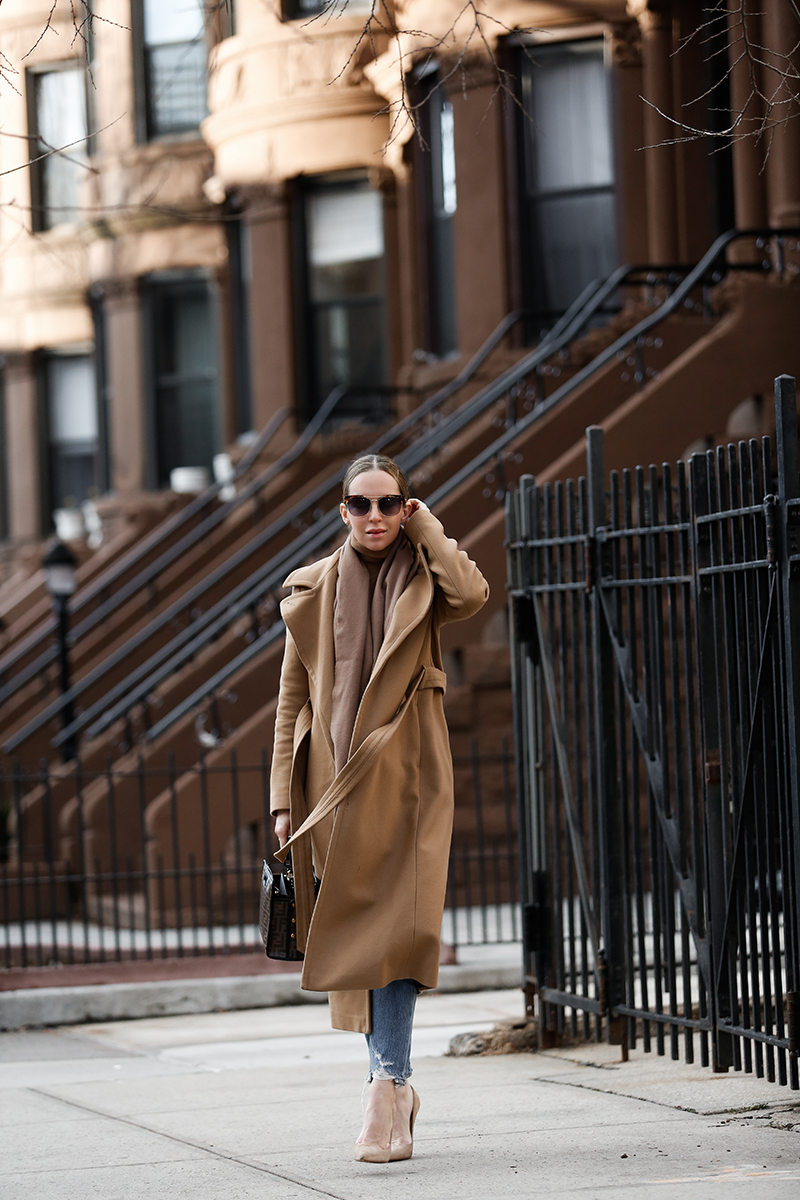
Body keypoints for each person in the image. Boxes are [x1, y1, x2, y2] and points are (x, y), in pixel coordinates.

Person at [270, 453, 489, 1163]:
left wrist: (430, 531)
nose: (374, 518)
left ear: (406, 508)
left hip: (410, 777)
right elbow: (290, 705)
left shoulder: (426, 574)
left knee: (400, 932)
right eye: (360, 506)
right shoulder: (309, 589)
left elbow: (474, 592)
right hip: (334, 787)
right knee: (362, 935)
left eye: (389, 504)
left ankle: (384, 1084)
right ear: (342, 512)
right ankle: (392, 1086)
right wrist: (282, 801)